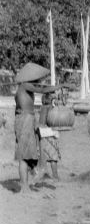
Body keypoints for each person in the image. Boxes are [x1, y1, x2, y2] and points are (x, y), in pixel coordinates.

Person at [13, 63, 57, 193]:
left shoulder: (24, 87)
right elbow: (43, 90)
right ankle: (25, 186)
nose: (40, 81)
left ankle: (30, 176)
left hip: (26, 119)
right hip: (25, 120)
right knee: (24, 156)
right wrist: (61, 86)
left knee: (28, 154)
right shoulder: (26, 86)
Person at [38, 90, 61, 181]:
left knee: (43, 156)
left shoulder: (43, 108)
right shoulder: (51, 108)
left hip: (43, 133)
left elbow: (41, 122)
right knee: (53, 157)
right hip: (50, 133)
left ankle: (42, 174)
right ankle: (55, 176)